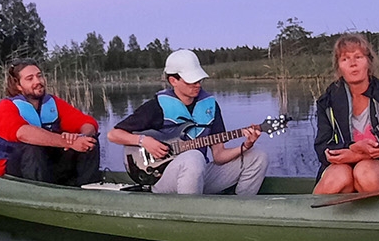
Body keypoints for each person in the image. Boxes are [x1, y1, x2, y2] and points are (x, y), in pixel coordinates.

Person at [107, 49, 268, 195]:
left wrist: (245, 146)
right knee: (194, 157)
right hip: (164, 180)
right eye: (191, 80)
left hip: (200, 174)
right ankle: (191, 216)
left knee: (258, 155)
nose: (197, 84)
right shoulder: (157, 106)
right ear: (173, 80)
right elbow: (114, 135)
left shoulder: (210, 105)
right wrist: (144, 141)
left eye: (199, 79)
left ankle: (241, 210)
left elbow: (219, 156)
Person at [312, 34, 379, 194]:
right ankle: (309, 216)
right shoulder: (326, 102)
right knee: (340, 176)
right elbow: (323, 148)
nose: (353, 64)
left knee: (365, 173)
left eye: (358, 57)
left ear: (368, 62)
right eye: (345, 59)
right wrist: (351, 148)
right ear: (339, 67)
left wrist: (358, 156)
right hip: (344, 168)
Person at [0, 61, 100, 186]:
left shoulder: (53, 102)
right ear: (18, 85)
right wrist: (67, 142)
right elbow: (23, 134)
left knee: (90, 140)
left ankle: (87, 187)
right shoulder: (6, 106)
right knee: (33, 148)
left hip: (49, 165)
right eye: (30, 79)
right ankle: (40, 194)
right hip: (18, 167)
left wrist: (81, 137)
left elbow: (88, 123)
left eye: (39, 76)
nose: (37, 81)